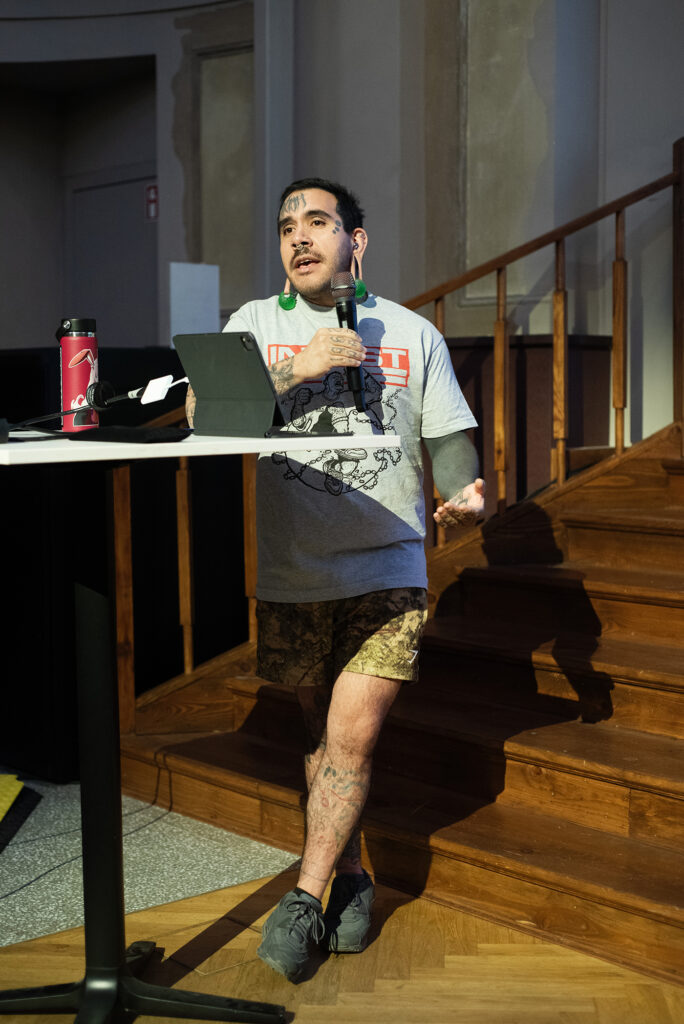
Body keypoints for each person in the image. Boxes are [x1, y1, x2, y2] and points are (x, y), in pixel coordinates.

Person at [186, 177, 485, 982]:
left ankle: (304, 895)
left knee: (351, 739)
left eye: (317, 222)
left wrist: (465, 487)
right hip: (294, 571)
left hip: (389, 563)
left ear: (357, 240)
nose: (299, 236)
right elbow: (204, 418)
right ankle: (352, 875)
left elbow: (448, 434)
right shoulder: (254, 325)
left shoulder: (411, 331)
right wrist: (299, 368)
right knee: (321, 741)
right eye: (287, 225)